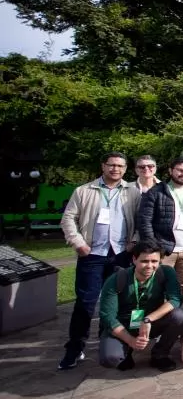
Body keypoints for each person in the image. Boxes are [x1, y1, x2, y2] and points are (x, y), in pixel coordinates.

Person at [58, 152, 142, 370]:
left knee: (121, 302)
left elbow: (140, 220)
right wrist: (77, 242)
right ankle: (75, 348)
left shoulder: (132, 192)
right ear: (103, 166)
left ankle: (113, 344)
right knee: (85, 303)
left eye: (120, 166)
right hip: (92, 254)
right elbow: (68, 218)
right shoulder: (84, 191)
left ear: (126, 169)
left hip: (121, 254)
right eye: (111, 165)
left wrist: (134, 241)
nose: (115, 169)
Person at [97, 240, 183, 371]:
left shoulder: (166, 272)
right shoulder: (116, 279)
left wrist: (148, 319)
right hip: (123, 324)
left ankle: (160, 354)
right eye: (144, 261)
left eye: (154, 261)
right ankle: (126, 350)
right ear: (134, 259)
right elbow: (107, 317)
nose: (149, 266)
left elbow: (175, 299)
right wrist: (131, 340)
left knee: (178, 316)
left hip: (150, 323)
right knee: (110, 359)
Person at [137, 156, 183, 304]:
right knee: (157, 286)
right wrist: (154, 246)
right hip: (163, 250)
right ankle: (159, 317)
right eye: (180, 170)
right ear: (170, 170)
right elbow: (144, 221)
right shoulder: (156, 192)